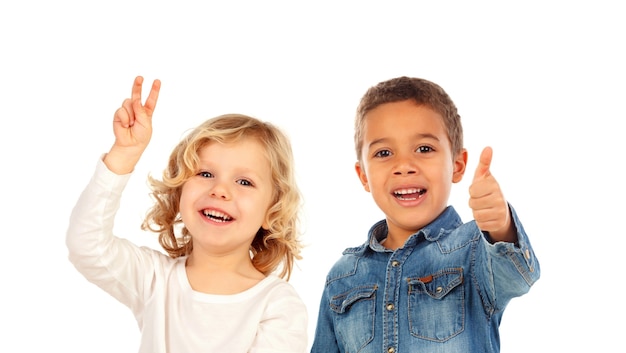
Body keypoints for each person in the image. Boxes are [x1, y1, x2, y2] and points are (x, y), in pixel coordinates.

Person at [66, 76, 308, 353]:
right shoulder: (155, 280)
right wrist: (124, 154)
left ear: (271, 212)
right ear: (179, 190)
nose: (220, 190)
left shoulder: (277, 305)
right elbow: (86, 245)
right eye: (205, 174)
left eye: (244, 182)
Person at [310, 76, 540, 353]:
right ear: (363, 176)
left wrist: (500, 225)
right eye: (384, 153)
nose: (404, 165)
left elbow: (517, 274)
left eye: (424, 149)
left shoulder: (475, 249)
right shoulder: (343, 276)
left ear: (457, 165)